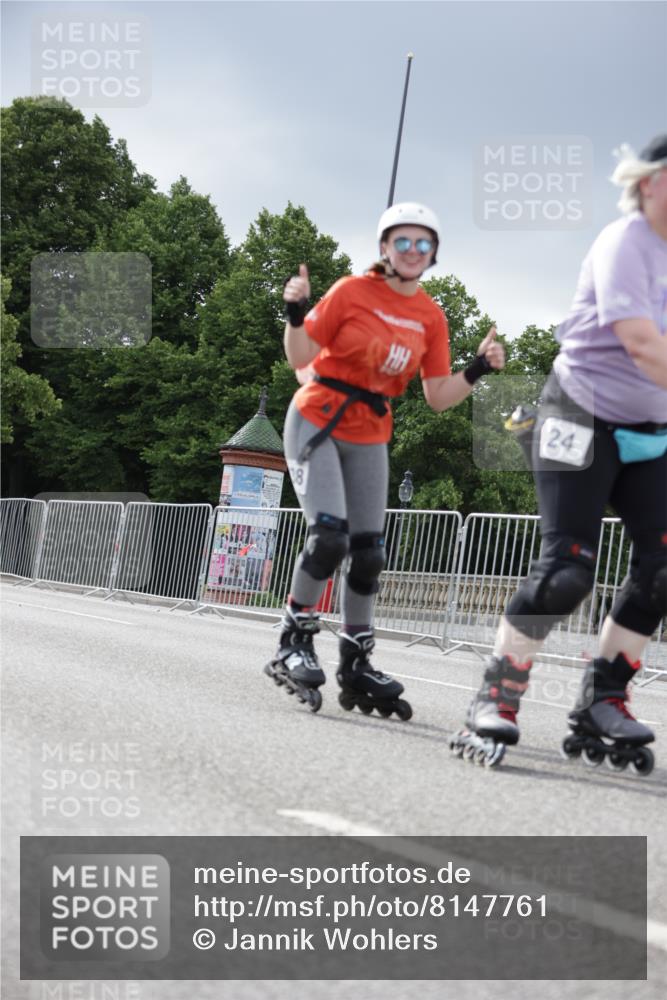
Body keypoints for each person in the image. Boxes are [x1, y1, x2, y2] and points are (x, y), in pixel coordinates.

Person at [452, 135, 667, 773]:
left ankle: (603, 700)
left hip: (649, 428)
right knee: (568, 570)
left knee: (661, 571)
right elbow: (641, 345)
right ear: (649, 182)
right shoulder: (624, 244)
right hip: (581, 415)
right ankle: (498, 693)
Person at [264, 202, 505, 715]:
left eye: (424, 244)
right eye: (403, 242)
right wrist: (295, 312)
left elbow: (438, 395)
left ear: (433, 253)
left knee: (369, 552)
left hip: (371, 431)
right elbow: (300, 355)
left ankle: (356, 661)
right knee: (330, 536)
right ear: (384, 248)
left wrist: (479, 368)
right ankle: (294, 639)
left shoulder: (430, 316)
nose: (414, 252)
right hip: (317, 419)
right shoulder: (351, 292)